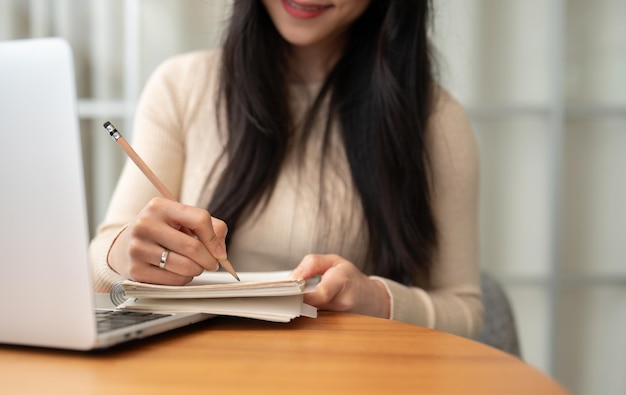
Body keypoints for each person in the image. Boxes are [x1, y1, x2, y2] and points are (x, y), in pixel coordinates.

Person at [90, 0, 483, 338]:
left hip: (351, 385)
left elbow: (466, 312)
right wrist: (125, 255)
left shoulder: (433, 120)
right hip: (199, 381)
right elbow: (97, 270)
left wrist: (377, 299)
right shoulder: (180, 87)